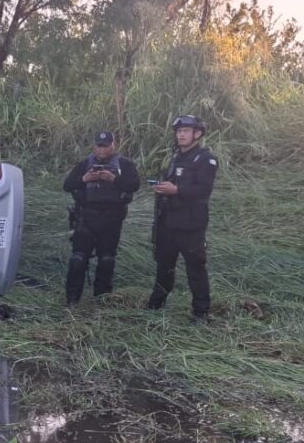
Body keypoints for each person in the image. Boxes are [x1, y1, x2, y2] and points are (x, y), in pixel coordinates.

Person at [148, 115, 218, 321]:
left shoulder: (206, 158)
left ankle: (201, 312)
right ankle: (155, 306)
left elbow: (204, 189)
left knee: (195, 269)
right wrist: (162, 188)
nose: (181, 135)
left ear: (197, 134)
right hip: (168, 222)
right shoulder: (176, 157)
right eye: (178, 132)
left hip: (191, 225)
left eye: (186, 131)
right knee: (163, 267)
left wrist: (176, 190)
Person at [62, 130, 140, 305]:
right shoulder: (84, 164)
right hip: (86, 218)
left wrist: (114, 179)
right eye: (99, 146)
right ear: (94, 146)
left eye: (106, 146)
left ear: (114, 145)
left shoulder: (124, 164)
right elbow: (67, 186)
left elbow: (134, 185)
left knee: (106, 260)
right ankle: (72, 300)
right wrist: (84, 178)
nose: (102, 150)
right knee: (78, 259)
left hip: (112, 220)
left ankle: (102, 300)